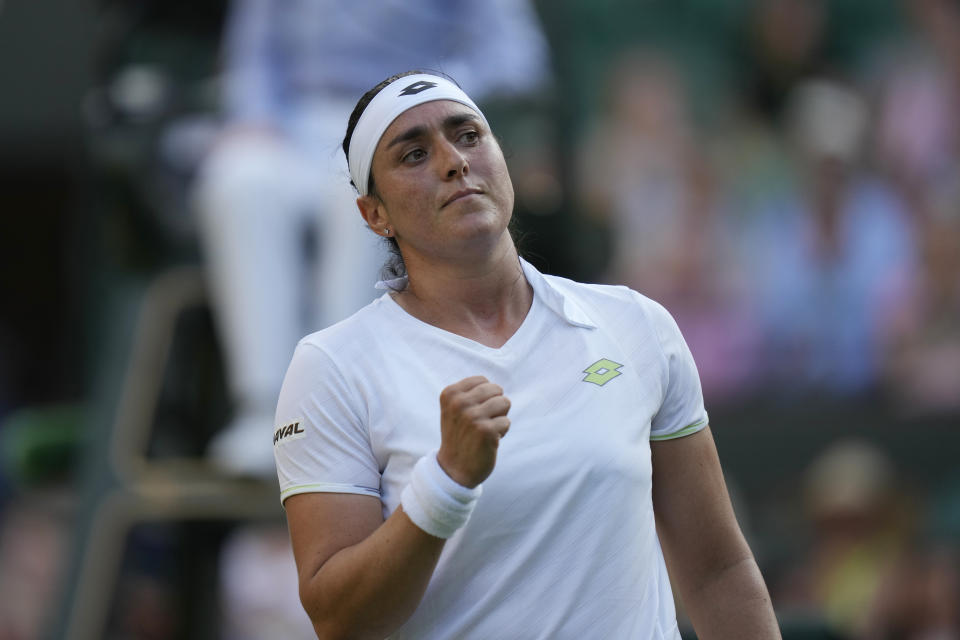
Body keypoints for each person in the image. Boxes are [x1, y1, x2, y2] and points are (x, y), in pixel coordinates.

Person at [274, 70, 782, 639]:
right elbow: (338, 621)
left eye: (468, 136)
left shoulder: (636, 324)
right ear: (375, 214)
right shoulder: (332, 367)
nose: (453, 161)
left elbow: (717, 571)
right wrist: (445, 484)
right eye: (414, 154)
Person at [193, 0, 551, 475]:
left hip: (407, 126)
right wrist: (254, 119)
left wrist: (424, 98)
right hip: (295, 123)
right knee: (238, 182)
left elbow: (517, 57)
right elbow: (253, 56)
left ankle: (343, 406)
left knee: (357, 197)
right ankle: (266, 411)